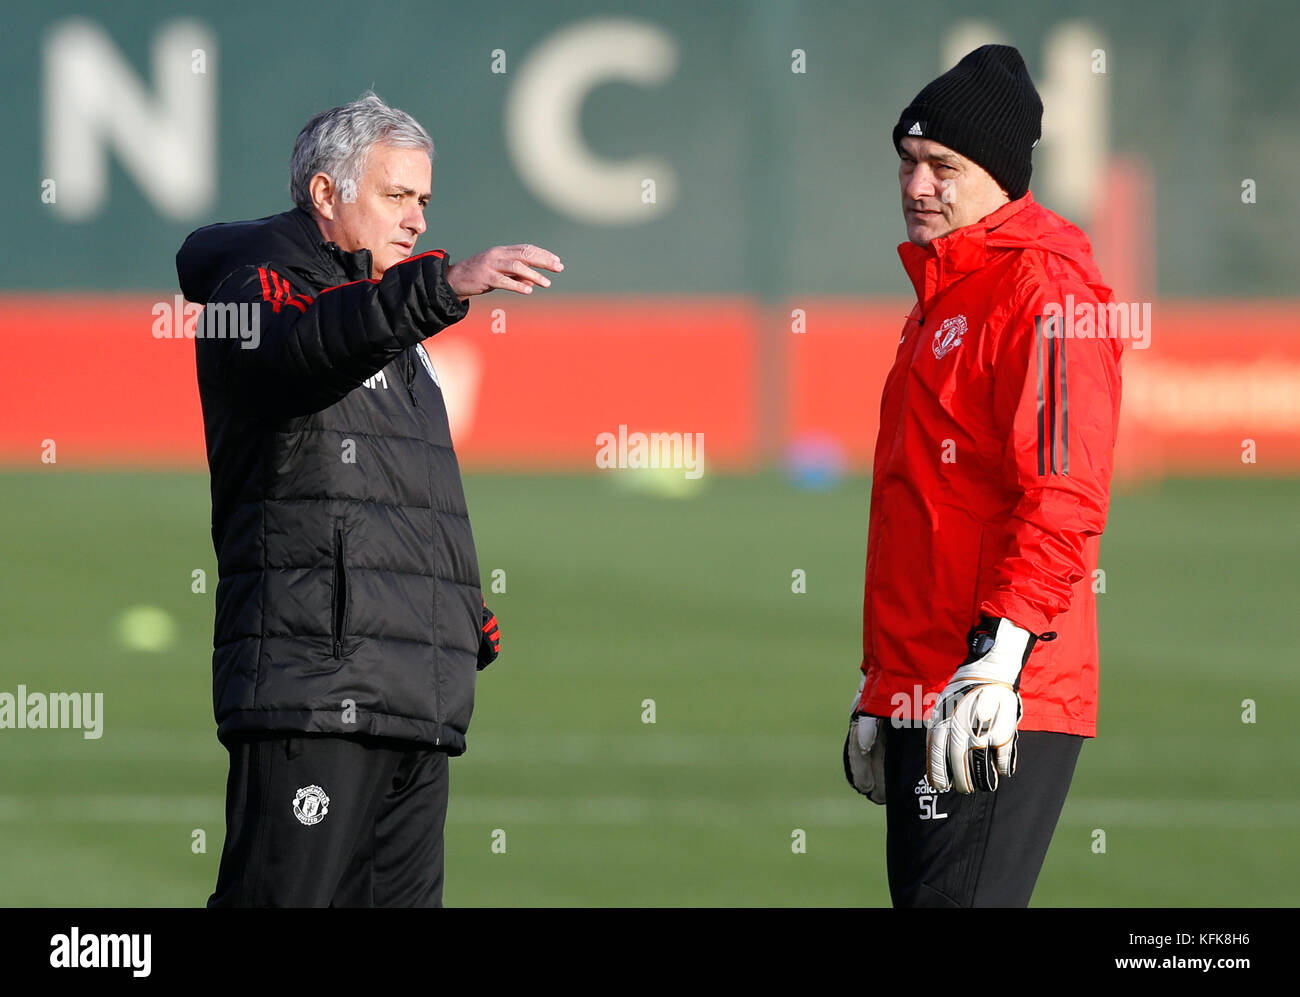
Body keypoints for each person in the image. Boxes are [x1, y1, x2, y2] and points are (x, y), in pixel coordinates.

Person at [177, 91, 561, 907]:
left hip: (411, 694)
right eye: (397, 195)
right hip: (313, 687)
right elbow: (301, 347)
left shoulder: (387, 321)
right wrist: (442, 287)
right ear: (325, 193)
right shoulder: (255, 289)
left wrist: (457, 609)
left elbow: (397, 492)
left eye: (424, 199)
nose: (417, 220)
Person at [842, 46, 1123, 907]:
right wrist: (882, 682)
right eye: (909, 160)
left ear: (1000, 175)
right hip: (922, 684)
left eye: (944, 166)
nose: (918, 183)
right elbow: (923, 514)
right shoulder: (943, 293)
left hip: (999, 688)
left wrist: (1000, 664)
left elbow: (1063, 495)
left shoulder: (1043, 290)